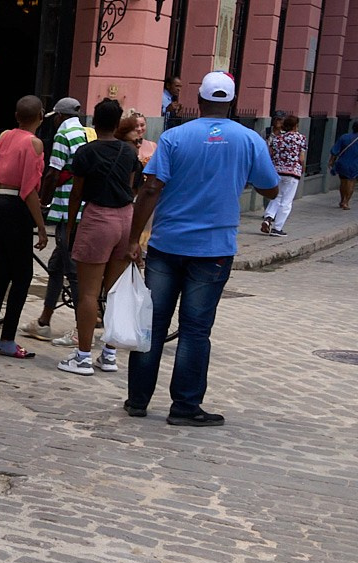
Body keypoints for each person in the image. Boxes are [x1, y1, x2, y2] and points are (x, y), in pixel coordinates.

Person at [124, 71, 277, 426]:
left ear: (199, 98)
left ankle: (137, 400)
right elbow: (270, 188)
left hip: (167, 244)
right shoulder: (249, 139)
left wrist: (133, 238)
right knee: (196, 329)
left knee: (154, 323)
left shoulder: (175, 137)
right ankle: (185, 407)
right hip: (214, 249)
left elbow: (150, 189)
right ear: (232, 101)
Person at [57, 99, 142, 377]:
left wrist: (71, 226)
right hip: (125, 218)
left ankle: (82, 356)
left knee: (89, 293)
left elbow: (77, 193)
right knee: (114, 293)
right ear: (118, 124)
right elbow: (131, 187)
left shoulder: (86, 152)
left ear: (94, 122)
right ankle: (109, 354)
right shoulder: (129, 152)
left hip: (98, 217)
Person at [0, 95, 48, 359]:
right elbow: (29, 190)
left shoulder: (5, 136)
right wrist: (40, 226)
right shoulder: (34, 143)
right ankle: (7, 339)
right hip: (16, 210)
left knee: (1, 274)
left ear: (17, 116)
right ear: (41, 115)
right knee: (22, 276)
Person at [24, 97, 86, 341]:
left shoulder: (63, 134)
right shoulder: (85, 132)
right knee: (56, 266)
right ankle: (44, 322)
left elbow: (53, 173)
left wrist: (41, 201)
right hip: (82, 206)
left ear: (60, 117)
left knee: (71, 270)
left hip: (66, 209)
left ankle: (83, 329)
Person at [262, 112, 305, 236]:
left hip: (277, 171)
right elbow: (301, 158)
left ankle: (268, 217)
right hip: (292, 172)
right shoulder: (300, 138)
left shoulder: (277, 138)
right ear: (295, 125)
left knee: (277, 196)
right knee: (287, 201)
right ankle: (277, 228)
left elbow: (271, 154)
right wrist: (302, 168)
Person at [327, 119, 358, 211]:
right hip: (354, 164)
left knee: (343, 182)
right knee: (351, 183)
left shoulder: (344, 137)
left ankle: (341, 200)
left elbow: (335, 150)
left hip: (342, 163)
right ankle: (346, 202)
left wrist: (331, 161)